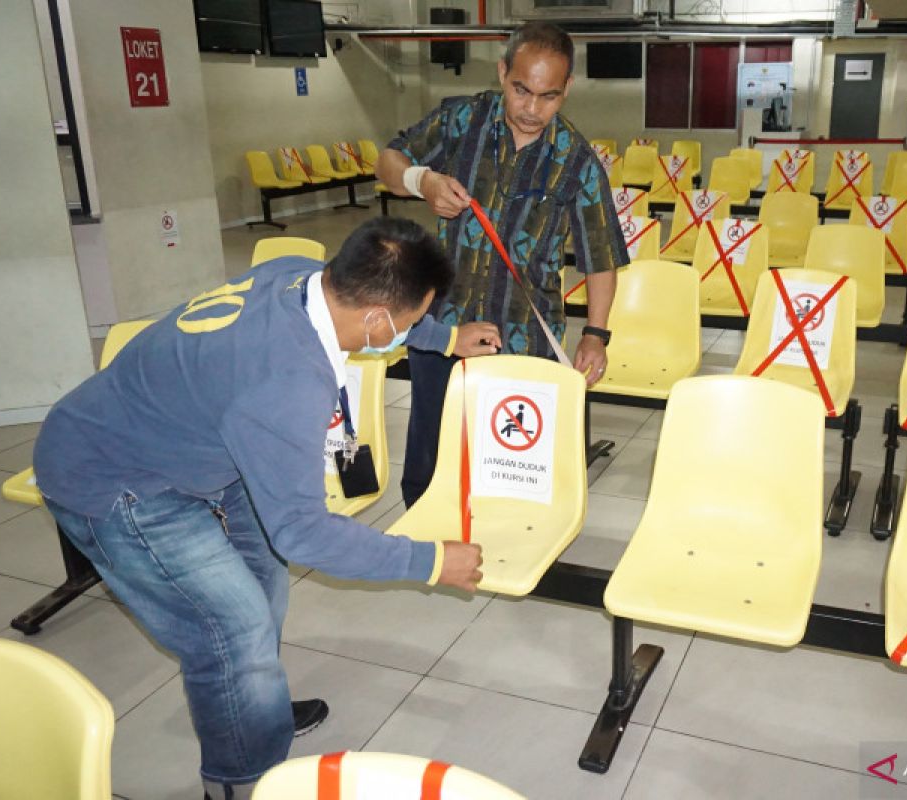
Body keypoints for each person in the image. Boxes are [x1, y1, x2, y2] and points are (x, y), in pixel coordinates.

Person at [31, 217, 485, 800]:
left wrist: (443, 339)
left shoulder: (298, 276)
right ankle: (239, 780)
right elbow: (303, 533)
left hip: (199, 441)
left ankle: (252, 703)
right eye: (412, 321)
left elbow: (377, 323)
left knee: (263, 579)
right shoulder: (288, 382)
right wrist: (429, 561)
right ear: (375, 317)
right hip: (116, 476)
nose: (414, 328)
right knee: (231, 626)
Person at [376, 20, 628, 508]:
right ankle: (433, 536)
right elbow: (387, 160)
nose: (533, 109)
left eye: (549, 96)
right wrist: (420, 180)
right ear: (502, 72)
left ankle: (511, 543)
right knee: (431, 454)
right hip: (444, 328)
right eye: (521, 90)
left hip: (523, 341)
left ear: (568, 88)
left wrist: (596, 334)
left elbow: (600, 256)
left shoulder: (576, 160)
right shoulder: (460, 122)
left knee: (514, 465)